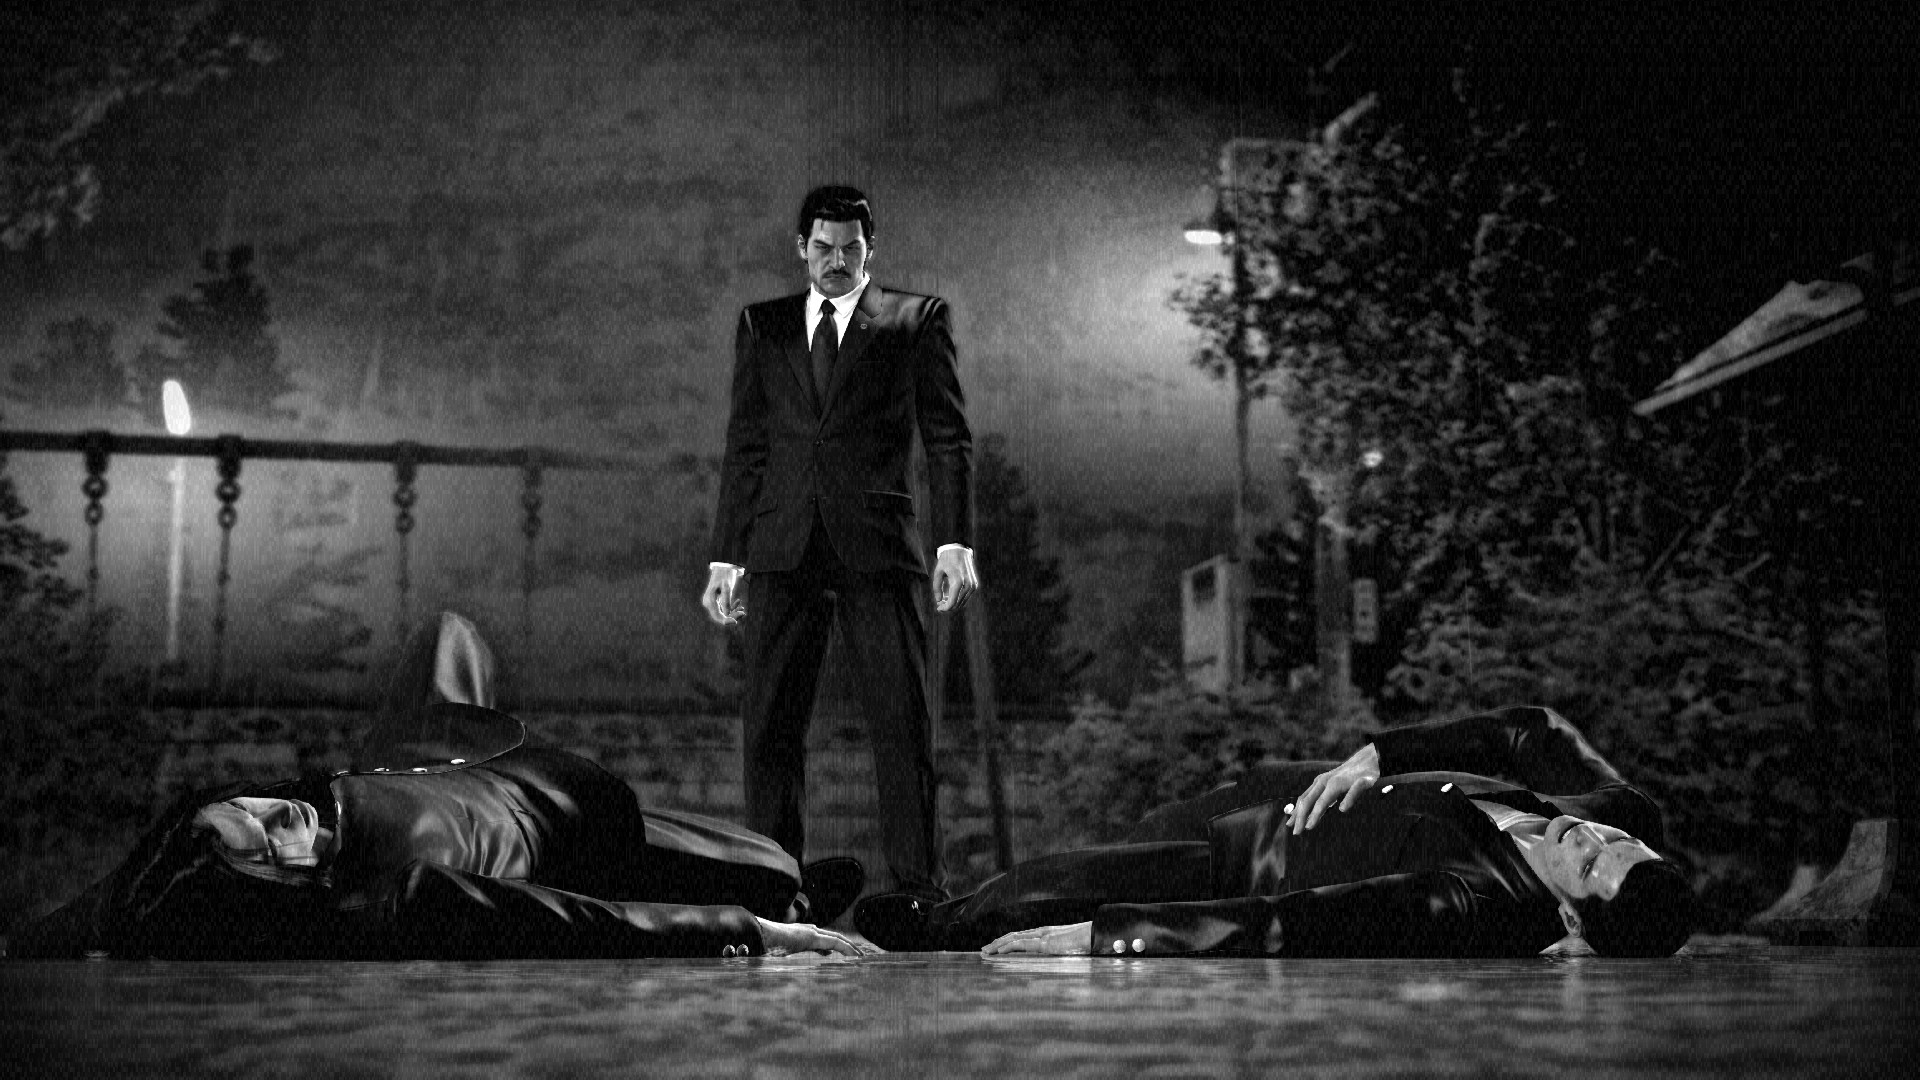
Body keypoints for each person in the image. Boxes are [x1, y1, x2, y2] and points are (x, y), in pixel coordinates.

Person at [6, 613, 868, 960]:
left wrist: (23, 945)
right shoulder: (393, 899)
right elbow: (586, 921)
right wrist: (751, 930)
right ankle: (796, 895)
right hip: (575, 830)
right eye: (270, 843)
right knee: (773, 876)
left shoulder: (299, 797)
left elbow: (116, 899)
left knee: (446, 628)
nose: (279, 817)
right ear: (284, 885)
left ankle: (791, 887)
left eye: (253, 809)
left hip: (456, 754)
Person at [853, 705, 1696, 958]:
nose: (1592, 839)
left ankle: (928, 926)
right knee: (1097, 853)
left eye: (1596, 866)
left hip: (1250, 870)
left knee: (1049, 888)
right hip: (1272, 801)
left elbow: (1296, 925)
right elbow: (1530, 728)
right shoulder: (1613, 814)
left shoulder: (1473, 903)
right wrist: (1381, 753)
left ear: (1575, 917)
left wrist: (1103, 937)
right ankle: (951, 911)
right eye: (1619, 844)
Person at [701, 184, 976, 906]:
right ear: (801, 247)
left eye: (851, 249)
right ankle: (774, 888)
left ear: (869, 249)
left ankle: (920, 893)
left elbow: (947, 436)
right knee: (770, 727)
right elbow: (747, 444)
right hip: (783, 542)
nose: (836, 261)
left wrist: (954, 542)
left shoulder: (917, 320)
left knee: (903, 723)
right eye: (823, 248)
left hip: (878, 544)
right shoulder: (762, 325)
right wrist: (727, 556)